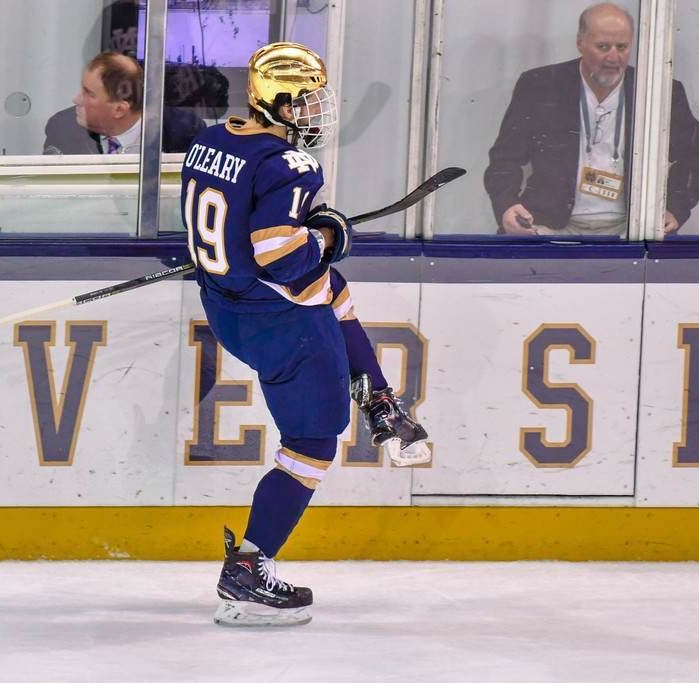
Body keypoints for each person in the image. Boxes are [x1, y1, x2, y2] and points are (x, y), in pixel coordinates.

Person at [181, 42, 431, 627]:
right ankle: (248, 565)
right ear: (281, 99)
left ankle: (382, 404)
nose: (316, 110)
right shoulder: (290, 163)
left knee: (333, 286)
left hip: (228, 308)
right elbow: (282, 257)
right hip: (279, 320)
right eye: (309, 99)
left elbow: (224, 228)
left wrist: (313, 246)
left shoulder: (210, 141)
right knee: (313, 441)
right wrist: (328, 234)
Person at [483, 2, 699, 236]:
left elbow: (696, 155)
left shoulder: (659, 90)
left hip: (631, 226)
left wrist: (675, 207)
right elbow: (504, 159)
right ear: (580, 42)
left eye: (622, 47)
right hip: (549, 223)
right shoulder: (541, 85)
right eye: (603, 46)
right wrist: (507, 206)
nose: (613, 57)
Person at [42, 51, 205, 155]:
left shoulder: (187, 132)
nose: (76, 99)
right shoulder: (62, 127)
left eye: (89, 94)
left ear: (120, 109)